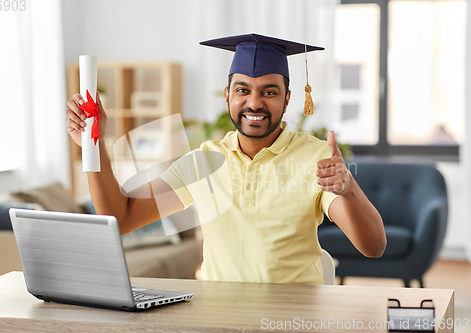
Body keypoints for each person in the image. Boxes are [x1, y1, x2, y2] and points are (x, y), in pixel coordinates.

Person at [66, 33, 386, 285]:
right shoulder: (203, 162)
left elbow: (374, 248)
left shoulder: (315, 158)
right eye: (243, 90)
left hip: (293, 317)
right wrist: (94, 144)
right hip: (221, 316)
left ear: (288, 98)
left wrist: (349, 190)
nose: (255, 103)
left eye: (269, 92)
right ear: (228, 95)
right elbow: (120, 218)